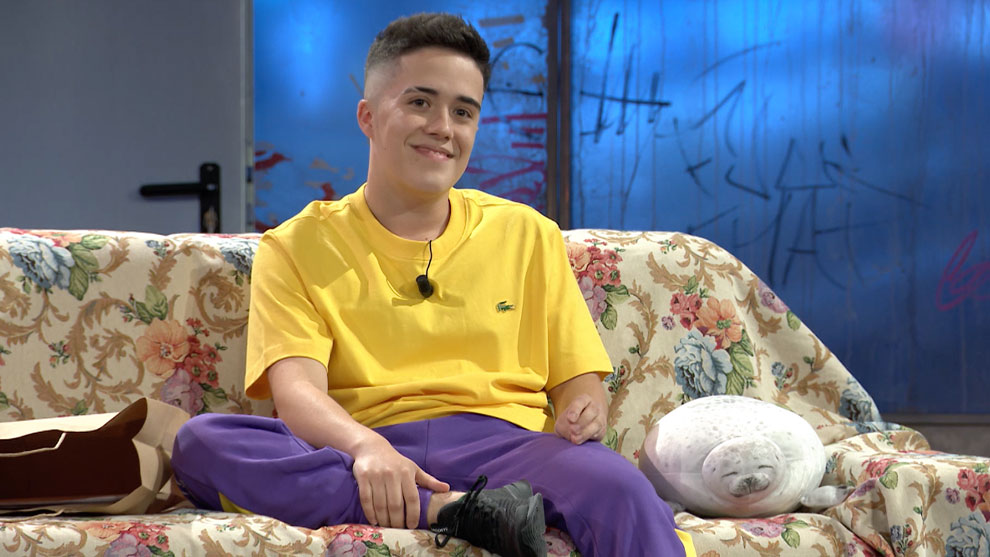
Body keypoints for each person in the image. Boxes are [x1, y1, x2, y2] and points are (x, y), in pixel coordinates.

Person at [171, 12, 694, 557]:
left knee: (623, 488)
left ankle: (451, 504)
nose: (443, 127)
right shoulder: (296, 244)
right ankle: (453, 509)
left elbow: (576, 379)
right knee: (202, 443)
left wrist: (585, 407)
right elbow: (298, 392)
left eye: (463, 112)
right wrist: (367, 448)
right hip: (364, 442)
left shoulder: (527, 232)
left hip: (510, 446)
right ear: (368, 116)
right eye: (420, 102)